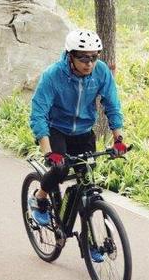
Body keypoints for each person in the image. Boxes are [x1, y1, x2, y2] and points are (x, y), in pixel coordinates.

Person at [28, 29, 127, 260]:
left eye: (94, 57)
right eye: (83, 57)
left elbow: (112, 104)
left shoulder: (101, 73)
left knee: (87, 183)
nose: (89, 63)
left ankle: (91, 240)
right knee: (60, 168)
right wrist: (48, 151)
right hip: (57, 130)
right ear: (70, 55)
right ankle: (40, 198)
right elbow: (38, 113)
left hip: (83, 132)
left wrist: (118, 139)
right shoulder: (53, 75)